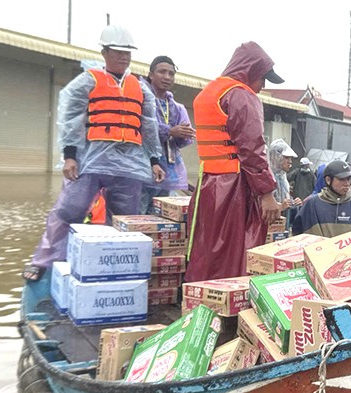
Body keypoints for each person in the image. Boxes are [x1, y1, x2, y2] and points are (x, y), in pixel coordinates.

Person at [21, 25, 164, 281]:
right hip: (91, 160)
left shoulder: (141, 88)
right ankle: (44, 262)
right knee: (68, 211)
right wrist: (70, 155)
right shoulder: (89, 80)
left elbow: (149, 127)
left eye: (127, 52)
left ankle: (115, 268)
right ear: (105, 52)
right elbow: (71, 120)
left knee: (124, 221)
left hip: (129, 165)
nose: (124, 57)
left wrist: (154, 161)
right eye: (118, 52)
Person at [186, 41, 283, 281]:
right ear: (251, 72)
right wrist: (267, 193)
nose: (262, 86)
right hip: (234, 189)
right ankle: (230, 308)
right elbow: (252, 148)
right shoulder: (241, 95)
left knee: (207, 249)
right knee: (235, 254)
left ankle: (200, 298)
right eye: (262, 79)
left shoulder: (208, 93)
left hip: (207, 185)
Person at [139, 55, 196, 214]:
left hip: (169, 172)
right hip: (144, 168)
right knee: (139, 216)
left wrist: (183, 134)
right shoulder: (141, 98)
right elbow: (143, 128)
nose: (167, 77)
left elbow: (183, 140)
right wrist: (169, 131)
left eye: (171, 74)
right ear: (151, 75)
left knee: (162, 218)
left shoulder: (177, 107)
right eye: (162, 72)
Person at [292, 160, 351, 237]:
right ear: (328, 180)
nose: (347, 183)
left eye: (348, 179)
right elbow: (297, 234)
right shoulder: (312, 204)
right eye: (342, 179)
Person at [268, 138, 302, 211]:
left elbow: (284, 200)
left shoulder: (283, 177)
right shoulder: (267, 178)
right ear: (277, 157)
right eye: (286, 157)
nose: (290, 161)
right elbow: (264, 208)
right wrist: (280, 207)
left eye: (290, 158)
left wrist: (294, 203)